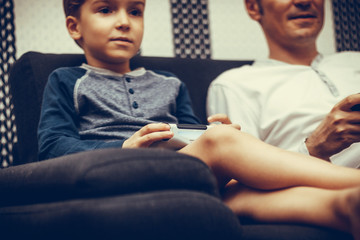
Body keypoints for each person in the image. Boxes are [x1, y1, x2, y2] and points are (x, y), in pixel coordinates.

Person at [38, 0, 360, 238]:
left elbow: (191, 130)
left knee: (238, 188)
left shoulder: (169, 82)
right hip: (119, 172)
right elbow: (53, 145)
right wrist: (123, 147)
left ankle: (344, 207)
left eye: (135, 11)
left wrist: (212, 132)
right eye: (106, 10)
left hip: (186, 173)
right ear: (74, 27)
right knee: (221, 143)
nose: (125, 22)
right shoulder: (65, 80)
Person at [207, 0, 360, 168]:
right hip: (324, 188)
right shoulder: (234, 85)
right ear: (253, 8)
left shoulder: (355, 60)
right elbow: (245, 173)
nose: (304, 2)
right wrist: (315, 147)